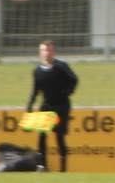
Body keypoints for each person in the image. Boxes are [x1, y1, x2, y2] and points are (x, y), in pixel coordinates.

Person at [27, 40, 79, 171]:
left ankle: (63, 168)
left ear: (53, 52)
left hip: (62, 105)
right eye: (44, 50)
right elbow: (35, 90)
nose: (46, 53)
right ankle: (42, 165)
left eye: (49, 50)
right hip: (46, 105)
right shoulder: (37, 71)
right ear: (40, 53)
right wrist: (30, 105)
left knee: (59, 135)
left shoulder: (61, 67)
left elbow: (74, 80)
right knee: (42, 135)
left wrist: (68, 92)